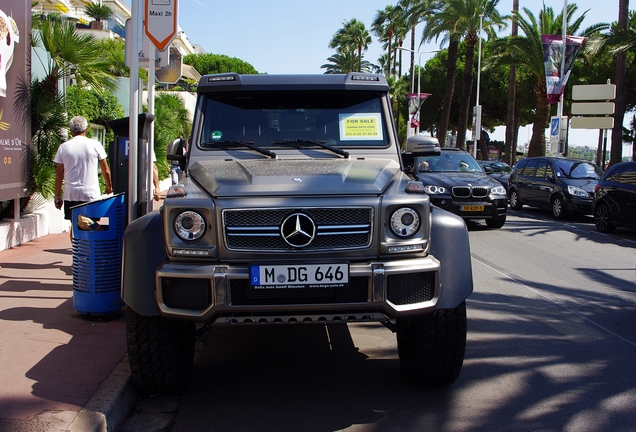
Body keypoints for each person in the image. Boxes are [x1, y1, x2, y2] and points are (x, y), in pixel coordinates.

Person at [54, 116, 113, 226]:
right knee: (92, 225)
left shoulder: (63, 147)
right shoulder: (95, 145)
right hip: (90, 193)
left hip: (71, 194)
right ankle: (90, 243)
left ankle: (76, 243)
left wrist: (57, 196)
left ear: (71, 130)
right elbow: (106, 171)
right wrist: (109, 187)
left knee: (75, 225)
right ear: (86, 129)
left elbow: (59, 174)